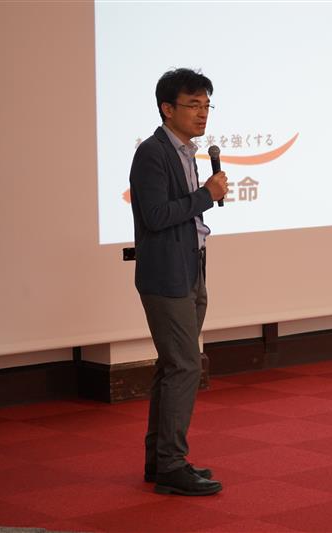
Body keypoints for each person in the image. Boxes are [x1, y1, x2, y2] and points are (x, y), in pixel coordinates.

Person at [129, 68, 228, 496]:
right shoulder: (152, 153)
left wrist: (203, 196)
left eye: (207, 105)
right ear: (167, 109)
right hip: (166, 275)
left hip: (190, 268)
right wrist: (206, 195)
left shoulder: (187, 152)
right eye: (193, 105)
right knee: (186, 365)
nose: (202, 113)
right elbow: (155, 216)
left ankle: (160, 461)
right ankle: (171, 464)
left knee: (172, 366)